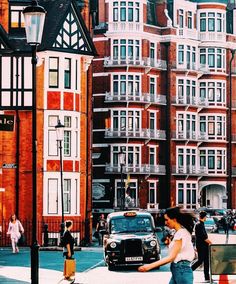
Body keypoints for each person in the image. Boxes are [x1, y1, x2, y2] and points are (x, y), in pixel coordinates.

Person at [138, 206, 195, 284]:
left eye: (167, 220)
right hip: (178, 270)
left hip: (181, 270)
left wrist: (149, 266)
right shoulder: (180, 232)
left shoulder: (181, 233)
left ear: (174, 219)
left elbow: (171, 257)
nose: (165, 223)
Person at [191, 211, 212, 282]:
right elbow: (204, 237)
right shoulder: (199, 224)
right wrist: (211, 243)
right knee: (200, 260)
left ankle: (207, 278)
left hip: (204, 246)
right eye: (206, 216)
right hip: (201, 246)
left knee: (206, 261)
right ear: (204, 217)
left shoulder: (201, 224)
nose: (206, 218)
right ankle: (189, 270)